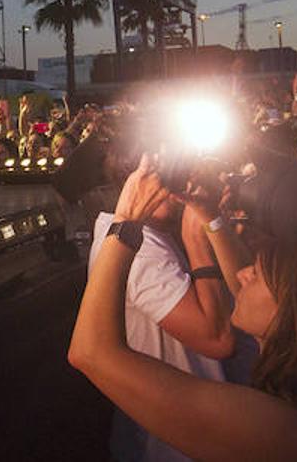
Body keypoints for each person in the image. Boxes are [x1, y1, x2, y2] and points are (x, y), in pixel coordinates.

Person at [68, 161, 297, 462]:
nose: (243, 272)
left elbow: (91, 352)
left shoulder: (279, 427)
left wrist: (127, 220)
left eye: (259, 271)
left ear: (295, 306)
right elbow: (240, 286)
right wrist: (209, 216)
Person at [85, 163, 236, 462]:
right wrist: (196, 237)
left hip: (201, 430)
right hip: (175, 446)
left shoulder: (152, 230)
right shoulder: (140, 248)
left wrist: (214, 222)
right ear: (134, 174)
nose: (186, 181)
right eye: (170, 170)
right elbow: (217, 339)